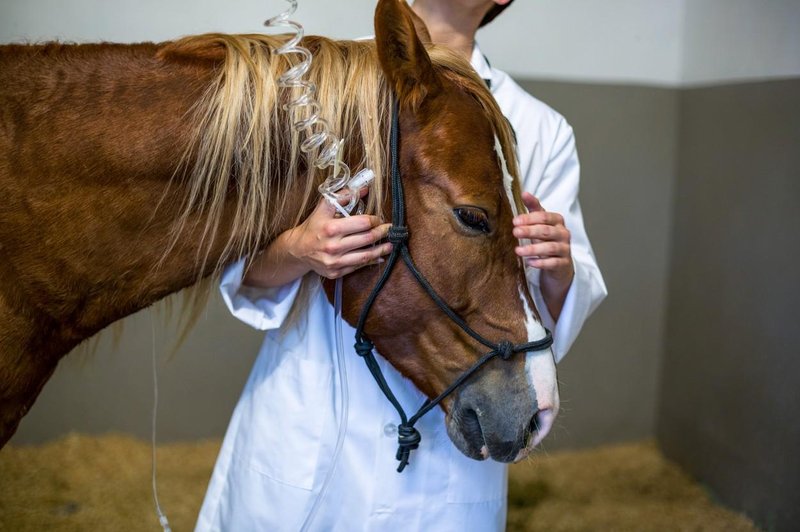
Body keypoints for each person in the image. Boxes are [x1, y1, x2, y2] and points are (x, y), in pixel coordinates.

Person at [195, 1, 607, 530]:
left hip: (445, 468)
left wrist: (558, 266)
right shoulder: (323, 89)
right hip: (310, 424)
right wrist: (301, 248)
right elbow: (241, 271)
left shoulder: (539, 127)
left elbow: (553, 306)